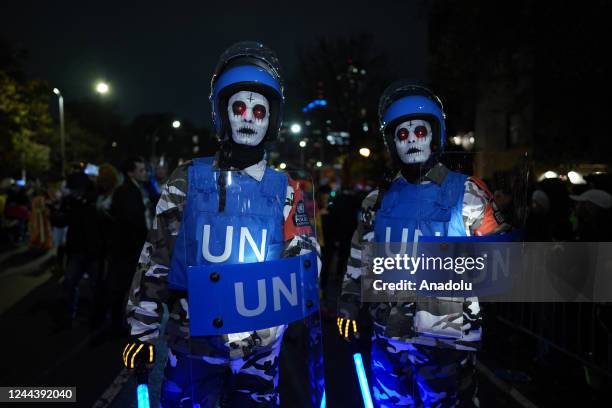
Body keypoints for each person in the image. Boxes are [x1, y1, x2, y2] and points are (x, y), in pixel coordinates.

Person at [122, 41, 320, 407]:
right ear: (222, 114)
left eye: (259, 110)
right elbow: (156, 261)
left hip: (260, 353)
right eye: (240, 107)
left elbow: (306, 269)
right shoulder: (186, 181)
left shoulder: (290, 190)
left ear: (271, 119)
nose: (249, 117)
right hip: (192, 344)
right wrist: (142, 330)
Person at [337, 82, 505, 407]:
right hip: (389, 337)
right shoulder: (377, 201)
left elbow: (502, 261)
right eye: (402, 135)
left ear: (435, 136)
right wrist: (348, 303)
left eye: (420, 132)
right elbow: (360, 258)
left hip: (446, 343)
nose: (412, 141)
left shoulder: (467, 194)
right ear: (392, 143)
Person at [108, 157, 149, 333]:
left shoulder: (135, 188)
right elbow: (131, 221)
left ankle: (121, 321)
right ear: (130, 172)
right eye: (141, 170)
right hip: (128, 248)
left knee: (128, 285)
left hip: (129, 247)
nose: (144, 173)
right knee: (123, 286)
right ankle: (118, 322)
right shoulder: (127, 191)